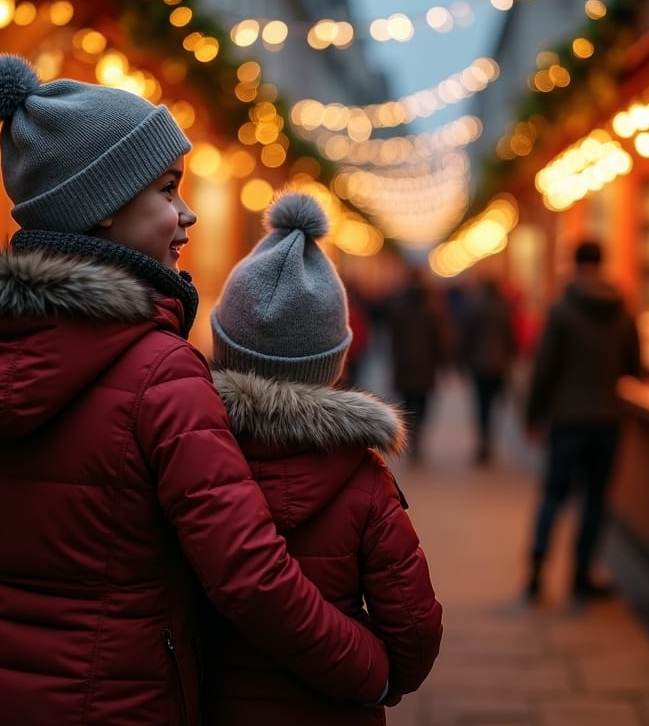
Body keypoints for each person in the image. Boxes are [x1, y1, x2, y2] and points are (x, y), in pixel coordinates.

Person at [0, 53, 389, 726]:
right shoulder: (160, 370)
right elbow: (248, 573)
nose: (187, 215)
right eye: (167, 191)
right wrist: (370, 669)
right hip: (126, 696)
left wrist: (18, 617)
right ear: (102, 209)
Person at [205, 191, 443, 725]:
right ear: (334, 359)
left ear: (224, 346)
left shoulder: (185, 449)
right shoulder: (362, 479)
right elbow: (414, 630)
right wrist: (378, 677)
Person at [524, 240, 642, 601]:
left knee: (554, 495)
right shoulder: (624, 310)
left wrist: (532, 414)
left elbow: (543, 368)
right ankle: (581, 573)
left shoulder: (560, 309)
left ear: (575, 265)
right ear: (602, 263)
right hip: (607, 419)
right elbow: (634, 365)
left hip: (567, 420)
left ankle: (537, 572)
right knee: (595, 499)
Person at [384, 265, 450, 463]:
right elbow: (440, 340)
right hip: (426, 366)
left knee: (406, 403)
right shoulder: (433, 308)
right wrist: (444, 363)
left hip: (404, 366)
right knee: (423, 404)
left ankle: (412, 439)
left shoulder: (398, 308)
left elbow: (392, 338)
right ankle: (419, 437)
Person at [459, 274, 519, 465]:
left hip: (479, 364)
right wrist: (512, 354)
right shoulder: (504, 308)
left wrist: (463, 359)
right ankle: (489, 440)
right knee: (495, 403)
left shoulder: (475, 307)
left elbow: (467, 336)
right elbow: (511, 335)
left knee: (481, 403)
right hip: (500, 364)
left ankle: (483, 441)